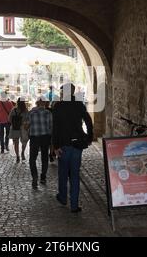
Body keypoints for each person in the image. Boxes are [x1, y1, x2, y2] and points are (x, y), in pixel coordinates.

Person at [53, 83, 93, 213]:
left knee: (63, 173)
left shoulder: (58, 106)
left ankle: (63, 197)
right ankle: (74, 205)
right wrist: (89, 137)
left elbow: (55, 128)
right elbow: (88, 120)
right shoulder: (79, 105)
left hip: (64, 145)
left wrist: (55, 146)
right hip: (77, 144)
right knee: (75, 174)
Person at [28, 97, 52, 189]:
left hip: (34, 137)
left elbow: (26, 125)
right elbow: (51, 126)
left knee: (32, 158)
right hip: (45, 137)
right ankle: (43, 177)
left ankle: (35, 177)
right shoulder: (48, 113)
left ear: (37, 103)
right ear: (45, 103)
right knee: (44, 157)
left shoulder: (31, 113)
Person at [8, 98, 29, 163]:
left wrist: (14, 123)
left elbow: (9, 119)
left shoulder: (13, 110)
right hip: (23, 128)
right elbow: (28, 119)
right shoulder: (25, 111)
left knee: (16, 143)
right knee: (24, 142)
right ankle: (22, 153)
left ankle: (17, 156)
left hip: (15, 128)